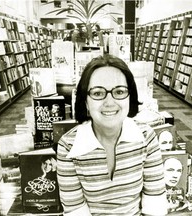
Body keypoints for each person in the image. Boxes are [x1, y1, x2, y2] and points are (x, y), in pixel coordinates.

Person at [57, 54, 168, 215]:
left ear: (130, 97)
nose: (109, 102)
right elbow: (76, 211)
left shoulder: (146, 137)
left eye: (119, 91)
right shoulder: (68, 147)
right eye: (97, 93)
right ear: (85, 101)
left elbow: (155, 207)